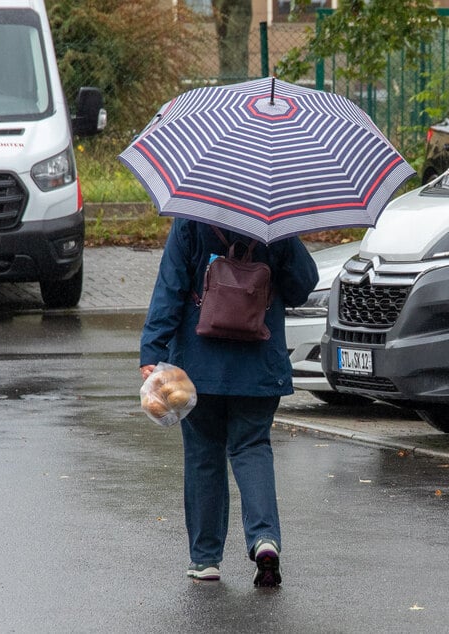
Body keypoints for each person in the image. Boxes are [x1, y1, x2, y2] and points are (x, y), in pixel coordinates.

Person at [139, 218, 318, 587]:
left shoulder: (191, 218)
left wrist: (152, 350)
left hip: (198, 363)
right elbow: (303, 286)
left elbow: (170, 287)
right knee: (252, 447)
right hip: (259, 364)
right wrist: (282, 239)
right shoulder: (275, 219)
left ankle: (205, 559)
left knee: (204, 454)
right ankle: (265, 539)